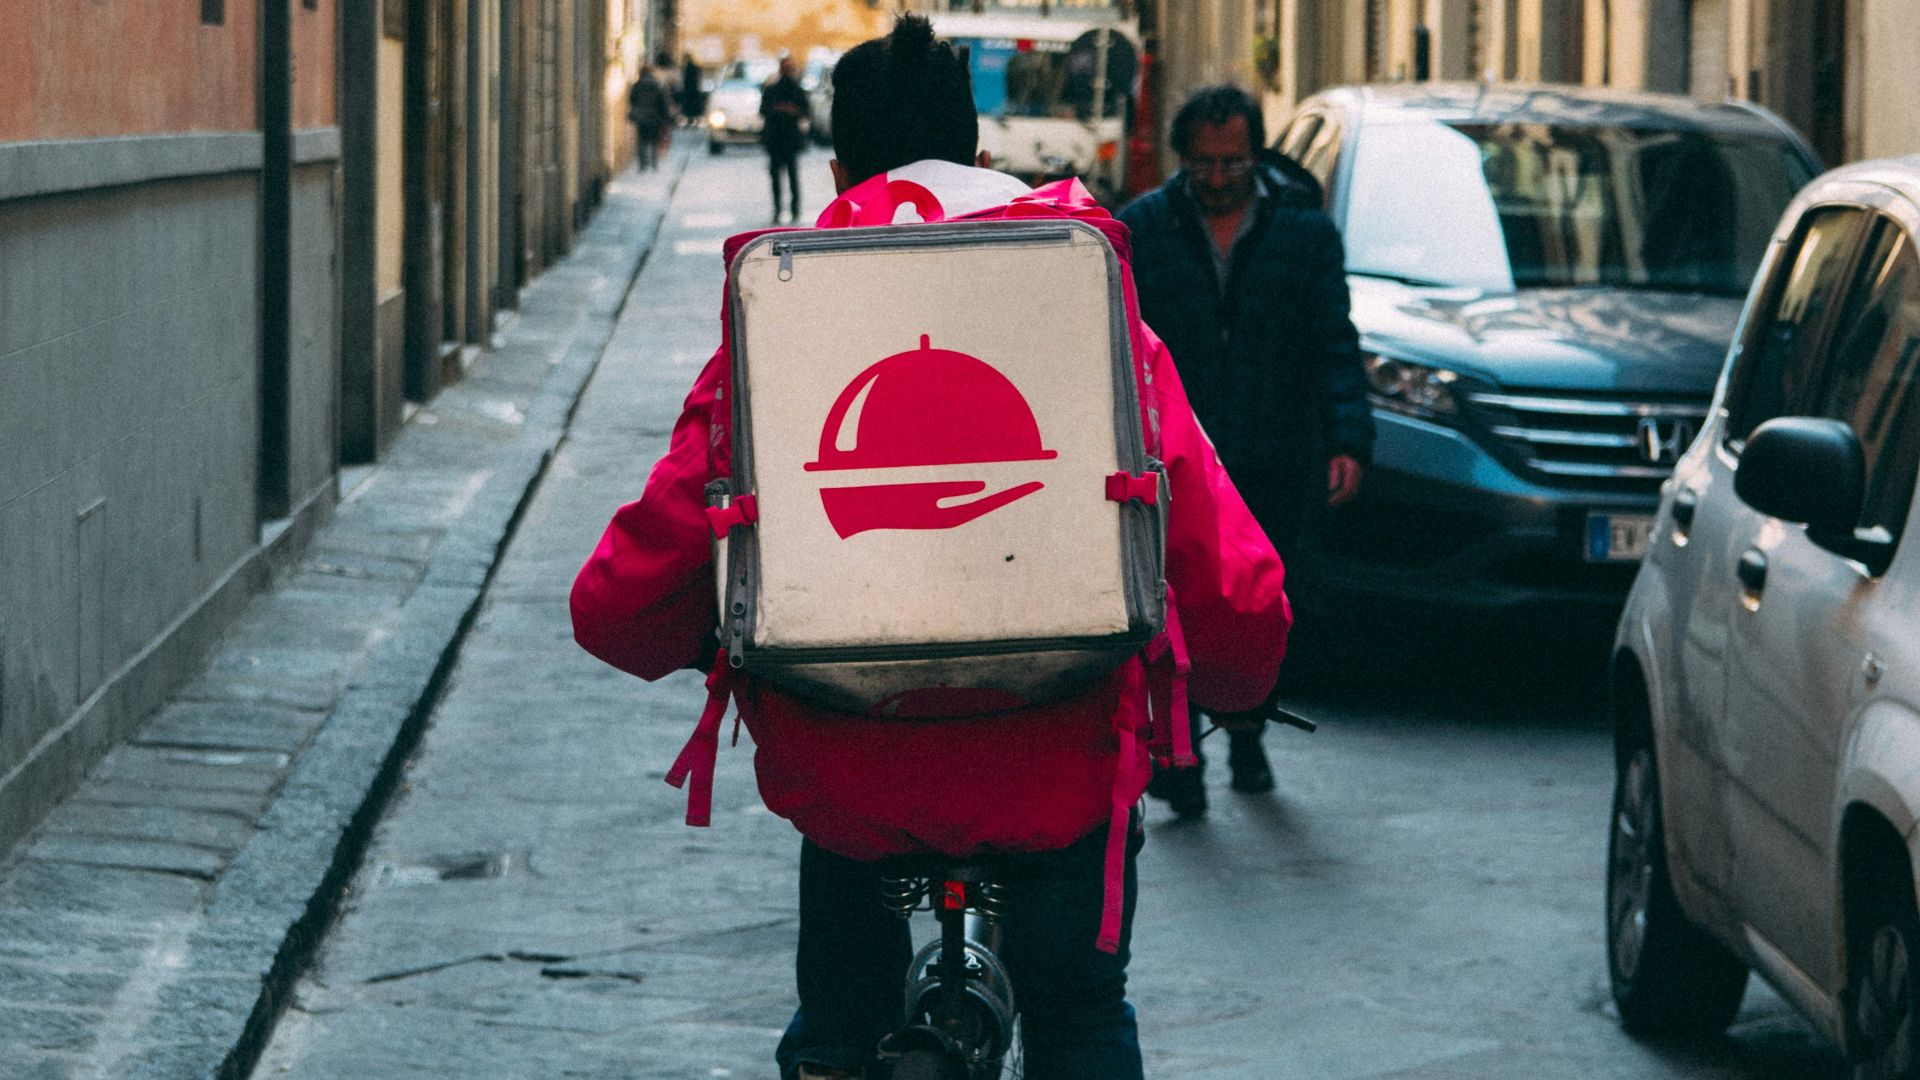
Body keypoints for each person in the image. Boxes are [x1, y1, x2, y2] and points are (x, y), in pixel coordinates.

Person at [570, 17, 1289, 1080]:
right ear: (982, 155)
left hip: (853, 778)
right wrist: (1235, 680)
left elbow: (626, 594)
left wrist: (705, 637)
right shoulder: (1085, 299)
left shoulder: (783, 321)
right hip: (1060, 766)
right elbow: (1217, 554)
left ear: (839, 172)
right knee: (1082, 1018)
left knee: (837, 1026)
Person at [1118, 85, 1373, 818]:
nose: (1219, 178)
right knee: (1177, 608)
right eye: (1204, 163)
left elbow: (1333, 343)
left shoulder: (1306, 234)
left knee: (1259, 609)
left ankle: (1249, 733)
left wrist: (1348, 439)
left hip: (1276, 451)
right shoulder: (1144, 230)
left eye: (1233, 162)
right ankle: (1183, 758)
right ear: (1183, 158)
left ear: (1256, 156)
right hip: (1179, 460)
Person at [760, 55, 811, 223]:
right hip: (776, 138)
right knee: (778, 176)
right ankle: (779, 209)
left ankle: (794, 209)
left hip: (789, 139)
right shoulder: (773, 89)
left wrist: (792, 110)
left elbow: (806, 111)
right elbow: (763, 110)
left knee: (791, 175)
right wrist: (780, 109)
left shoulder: (797, 90)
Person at [628, 62, 673, 172]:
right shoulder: (657, 85)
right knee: (654, 141)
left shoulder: (637, 85)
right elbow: (663, 103)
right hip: (654, 117)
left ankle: (643, 164)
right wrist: (666, 118)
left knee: (642, 141)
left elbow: (632, 100)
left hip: (641, 117)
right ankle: (654, 163)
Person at [679, 53, 706, 127]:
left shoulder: (686, 68)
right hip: (695, 90)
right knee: (695, 107)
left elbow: (684, 80)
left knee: (689, 108)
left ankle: (690, 121)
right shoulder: (695, 67)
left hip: (688, 91)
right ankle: (696, 121)